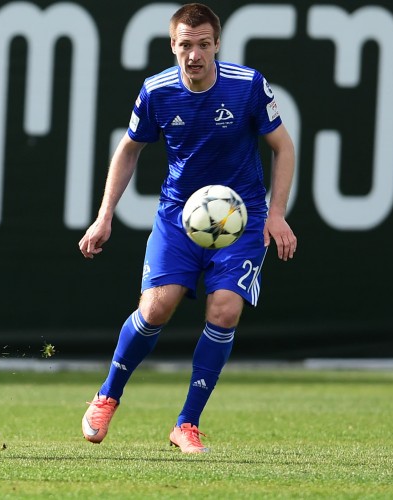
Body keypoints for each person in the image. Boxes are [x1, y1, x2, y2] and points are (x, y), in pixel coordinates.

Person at [77, 3, 297, 454]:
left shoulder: (247, 86)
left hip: (242, 218)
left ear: (217, 45)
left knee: (225, 311)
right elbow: (127, 151)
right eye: (184, 45)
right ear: (172, 45)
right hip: (180, 217)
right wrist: (104, 216)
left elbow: (283, 146)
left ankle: (187, 424)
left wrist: (276, 214)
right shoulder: (156, 92)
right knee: (156, 309)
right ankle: (107, 395)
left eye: (202, 45)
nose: (194, 55)